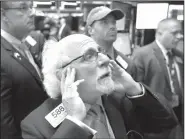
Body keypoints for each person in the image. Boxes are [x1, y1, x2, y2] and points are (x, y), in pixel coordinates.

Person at [21, 34, 178, 139]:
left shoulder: (119, 101)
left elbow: (167, 124)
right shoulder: (36, 125)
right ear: (63, 75)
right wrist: (75, 121)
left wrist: (133, 88)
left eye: (100, 52)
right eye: (89, 56)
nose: (105, 59)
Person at [1, 1, 48, 139]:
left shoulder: (25, 44)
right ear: (3, 15)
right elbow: (3, 123)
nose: (32, 12)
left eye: (31, 6)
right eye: (23, 7)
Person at [132, 18, 183, 138]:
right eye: (175, 33)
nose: (180, 36)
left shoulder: (180, 55)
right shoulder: (142, 55)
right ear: (159, 33)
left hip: (178, 117)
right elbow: (137, 88)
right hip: (154, 122)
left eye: (180, 32)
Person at [86, 6, 137, 79]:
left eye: (113, 22)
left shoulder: (128, 65)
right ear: (90, 30)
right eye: (104, 22)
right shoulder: (79, 62)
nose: (112, 26)